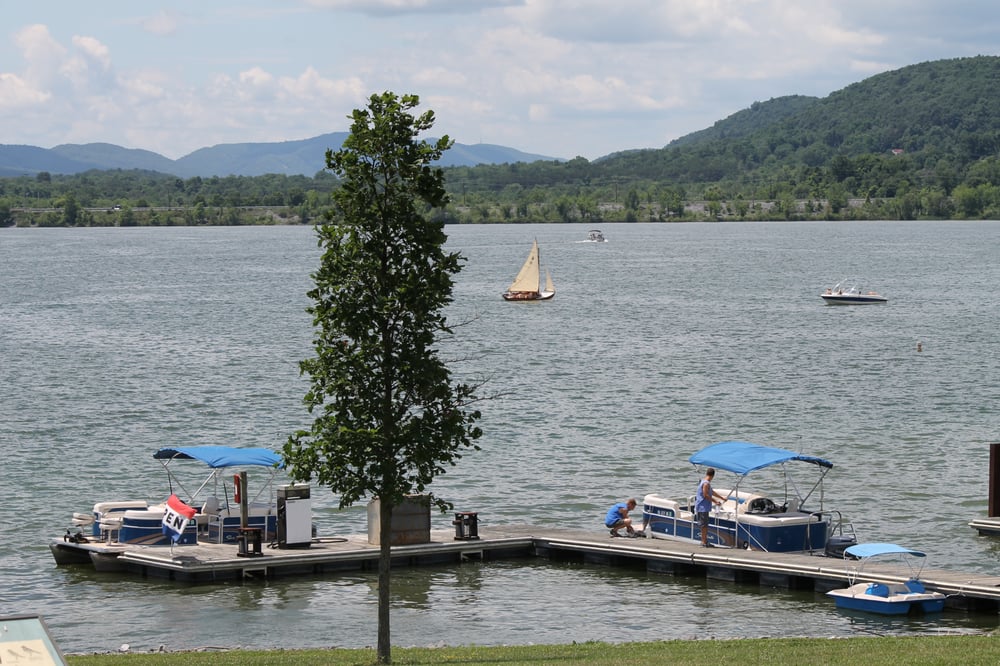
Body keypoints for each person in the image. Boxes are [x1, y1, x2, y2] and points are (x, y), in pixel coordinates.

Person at [695, 468, 727, 547]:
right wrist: (715, 501)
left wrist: (722, 498)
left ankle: (704, 541)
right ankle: (704, 542)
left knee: (704, 525)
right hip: (702, 507)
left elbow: (712, 492)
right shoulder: (706, 483)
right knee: (704, 525)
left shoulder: (704, 482)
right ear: (713, 476)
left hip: (703, 506)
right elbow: (706, 495)